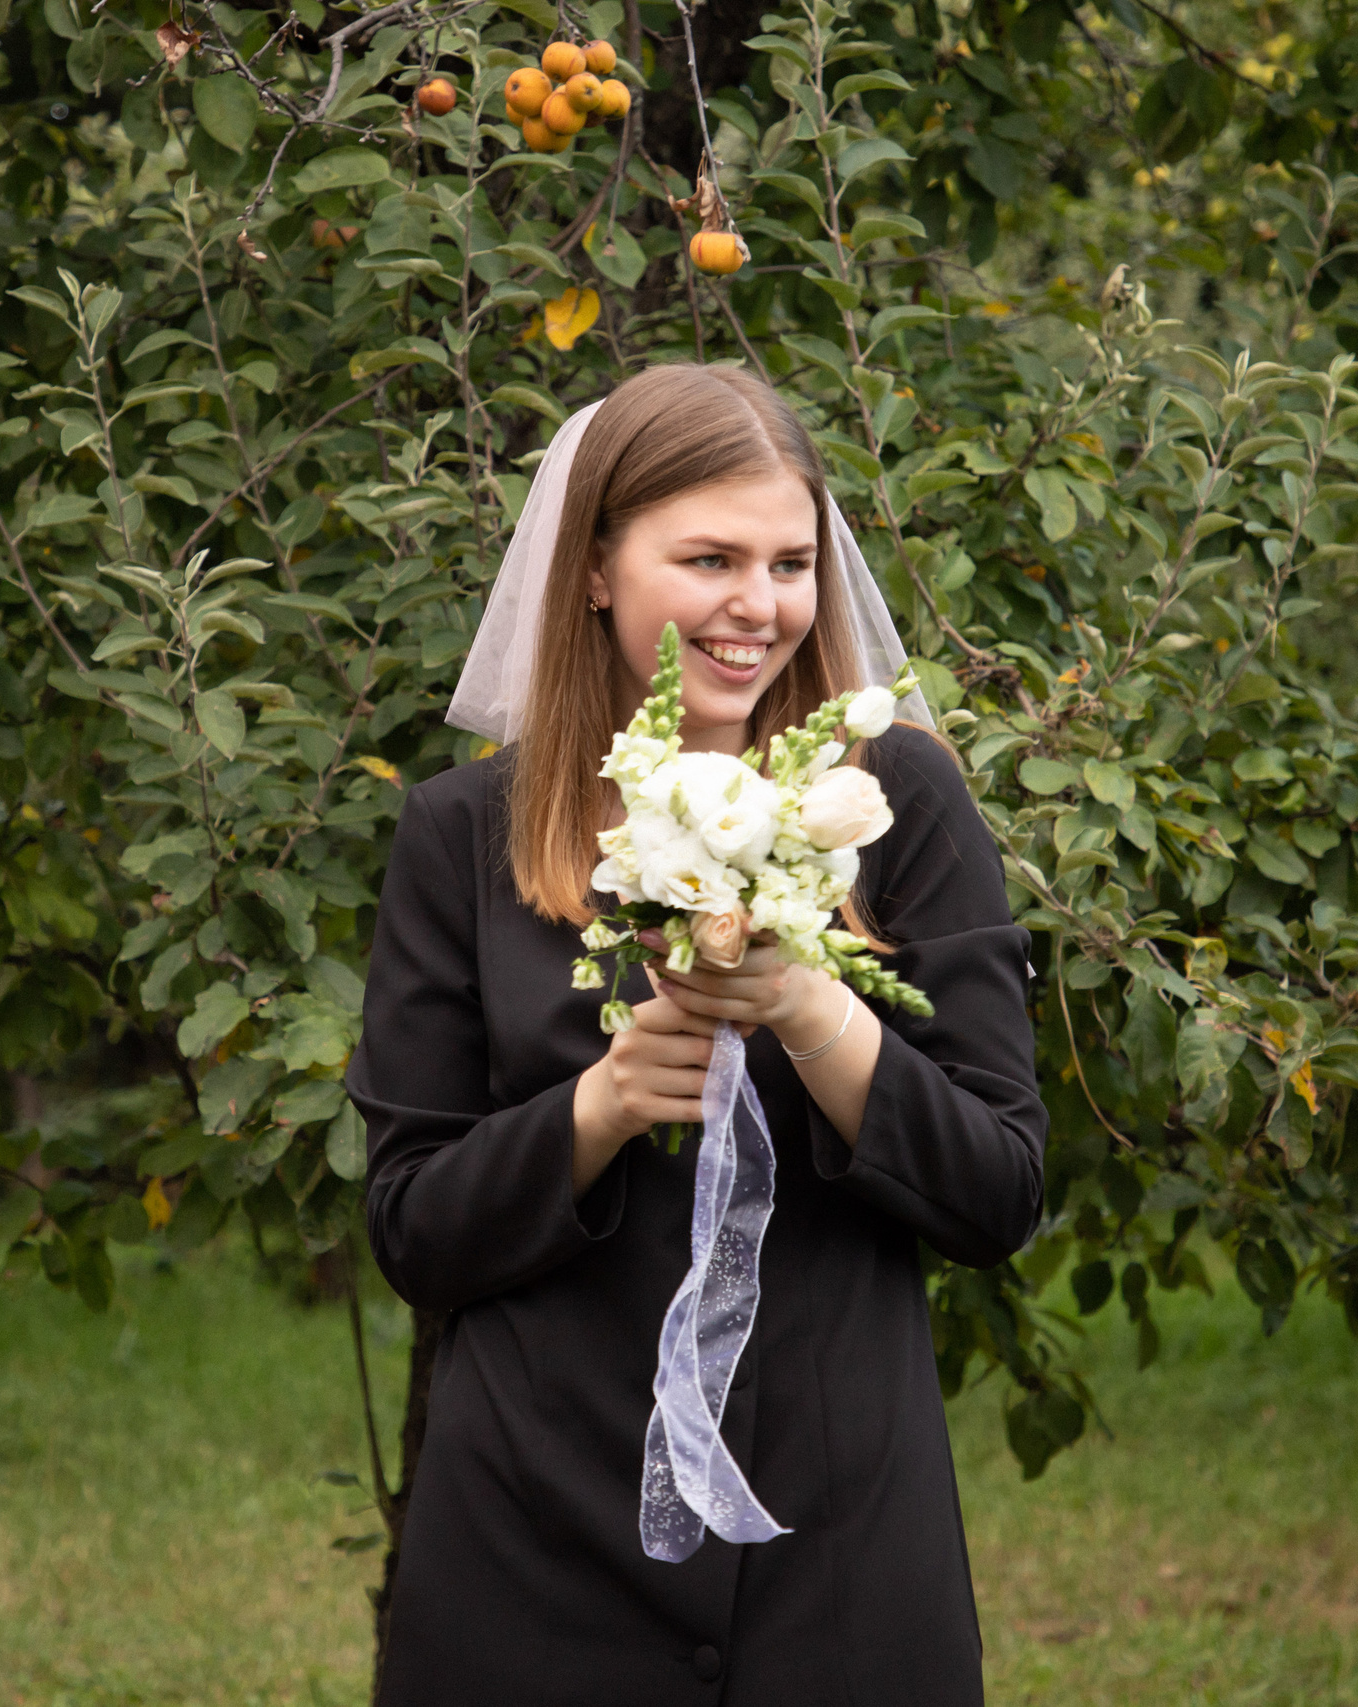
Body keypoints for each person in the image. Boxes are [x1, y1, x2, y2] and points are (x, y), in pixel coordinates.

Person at [344, 363, 1046, 1706]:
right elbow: (414, 1232)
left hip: (837, 1551)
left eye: (791, 563)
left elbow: (999, 1193)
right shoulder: (461, 836)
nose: (759, 605)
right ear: (594, 570)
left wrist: (815, 1011)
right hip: (536, 1544)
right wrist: (598, 1108)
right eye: (710, 559)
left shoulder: (894, 804)